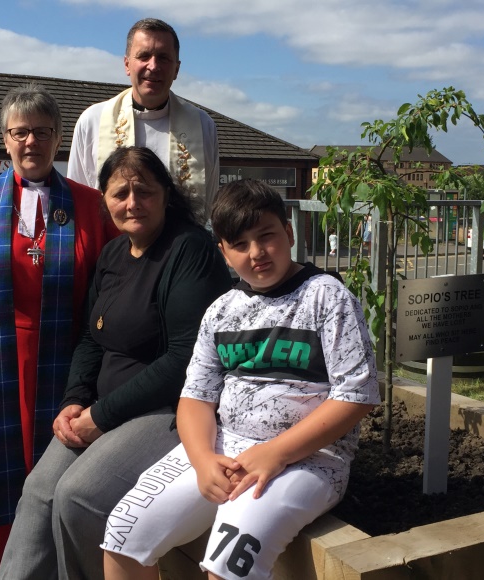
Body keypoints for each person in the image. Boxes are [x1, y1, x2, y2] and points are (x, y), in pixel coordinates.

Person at [102, 179, 380, 580]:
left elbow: (357, 395)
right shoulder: (221, 311)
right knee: (122, 535)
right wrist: (201, 461)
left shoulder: (327, 297)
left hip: (309, 460)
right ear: (224, 254)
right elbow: (195, 398)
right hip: (222, 449)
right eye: (240, 244)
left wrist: (276, 453)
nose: (256, 253)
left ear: (288, 232)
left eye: (266, 236)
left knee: (229, 564)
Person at [0, 146, 232, 579]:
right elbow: (92, 336)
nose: (132, 202)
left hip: (169, 409)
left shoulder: (189, 248)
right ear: (103, 200)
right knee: (39, 492)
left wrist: (100, 416)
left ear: (166, 193)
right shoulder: (113, 254)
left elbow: (186, 358)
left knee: (79, 497)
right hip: (104, 407)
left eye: (143, 191)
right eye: (119, 192)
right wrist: (74, 398)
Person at [0, 83, 118, 580]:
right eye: (19, 133)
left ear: (58, 139)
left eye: (41, 131)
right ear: (5, 139)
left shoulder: (91, 205)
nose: (30, 142)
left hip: (64, 364)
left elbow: (110, 287)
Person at [67, 18, 219, 222]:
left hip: (182, 249)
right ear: (127, 64)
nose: (153, 66)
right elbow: (78, 200)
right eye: (144, 56)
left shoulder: (202, 125)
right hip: (112, 249)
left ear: (176, 69)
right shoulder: (93, 121)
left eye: (163, 58)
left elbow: (210, 203)